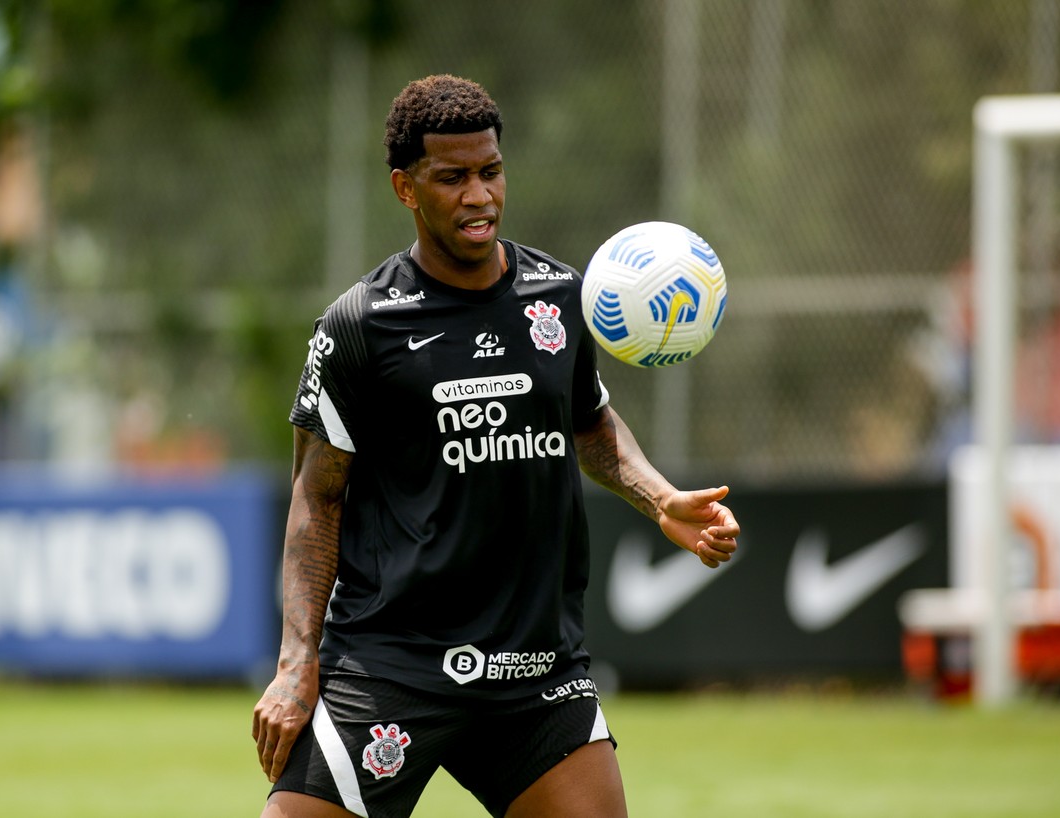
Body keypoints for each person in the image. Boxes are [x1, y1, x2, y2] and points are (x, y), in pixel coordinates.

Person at [251, 73, 740, 818]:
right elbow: (317, 497)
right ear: (404, 188)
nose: (479, 195)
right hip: (393, 664)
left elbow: (589, 423)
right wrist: (295, 664)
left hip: (535, 666)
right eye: (452, 178)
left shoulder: (561, 297)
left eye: (490, 171)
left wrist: (659, 497)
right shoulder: (359, 325)